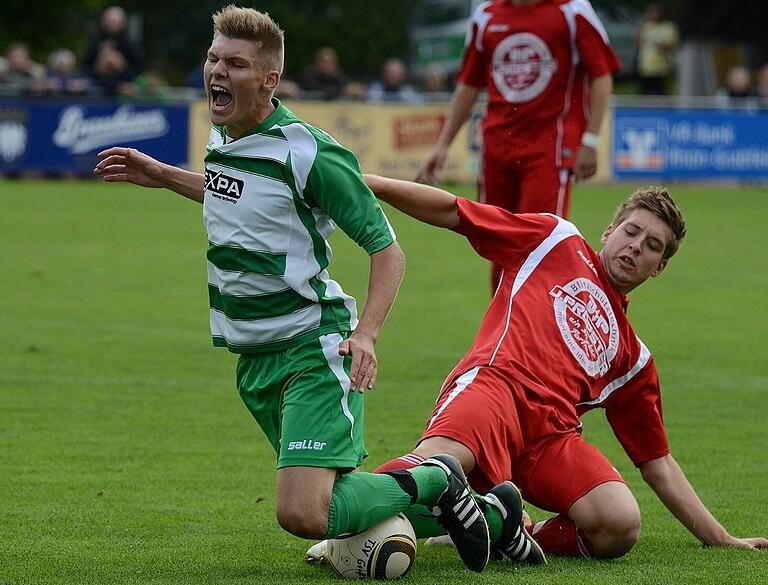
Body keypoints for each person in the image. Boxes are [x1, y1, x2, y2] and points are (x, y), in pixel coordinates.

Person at [94, 5, 492, 574]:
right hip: (253, 354)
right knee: (333, 499)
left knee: (303, 512)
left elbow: (387, 249)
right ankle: (494, 518)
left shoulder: (310, 152)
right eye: (212, 59)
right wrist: (160, 174)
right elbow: (231, 193)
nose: (216, 72)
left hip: (311, 346)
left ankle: (437, 476)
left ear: (269, 79)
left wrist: (368, 334)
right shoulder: (224, 134)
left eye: (234, 63)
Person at [356, 175, 768, 560]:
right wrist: (367, 180)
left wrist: (720, 537)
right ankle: (343, 520)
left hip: (550, 437)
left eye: (653, 245)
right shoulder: (555, 239)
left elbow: (657, 462)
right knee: (439, 465)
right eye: (631, 231)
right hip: (495, 387)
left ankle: (505, 528)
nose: (637, 246)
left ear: (659, 267)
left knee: (619, 523)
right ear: (609, 231)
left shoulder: (634, 358)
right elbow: (454, 211)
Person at [416, 0, 621, 291]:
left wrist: (590, 139)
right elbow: (469, 84)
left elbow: (601, 75)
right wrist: (442, 144)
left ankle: (536, 332)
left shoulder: (573, 11)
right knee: (498, 248)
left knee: (540, 246)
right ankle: (503, 333)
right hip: (497, 149)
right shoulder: (487, 16)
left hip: (548, 149)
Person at [82, 5, 142, 96]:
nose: (112, 23)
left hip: (125, 88)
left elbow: (136, 68)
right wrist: (101, 65)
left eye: (115, 21)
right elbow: (86, 67)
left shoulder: (129, 44)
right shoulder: (95, 41)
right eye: (110, 20)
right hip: (96, 87)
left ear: (123, 22)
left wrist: (121, 66)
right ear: (103, 21)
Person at [635, 4, 679, 96]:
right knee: (644, 93)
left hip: (661, 68)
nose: (653, 15)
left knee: (660, 94)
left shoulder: (668, 27)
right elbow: (637, 42)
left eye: (655, 12)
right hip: (645, 67)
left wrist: (660, 44)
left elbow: (673, 46)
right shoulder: (646, 26)